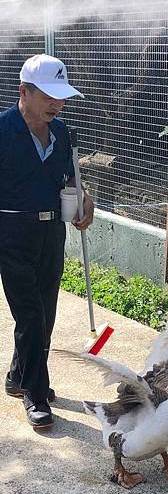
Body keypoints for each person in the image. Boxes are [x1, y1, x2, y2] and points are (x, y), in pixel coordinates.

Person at [0, 54, 94, 429]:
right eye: (48, 96)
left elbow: (69, 180)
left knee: (46, 312)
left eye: (62, 96)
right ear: (24, 91)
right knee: (31, 316)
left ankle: (18, 377)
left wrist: (84, 198)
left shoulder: (63, 132)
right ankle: (36, 394)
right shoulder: (3, 130)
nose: (58, 104)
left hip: (51, 232)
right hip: (10, 234)